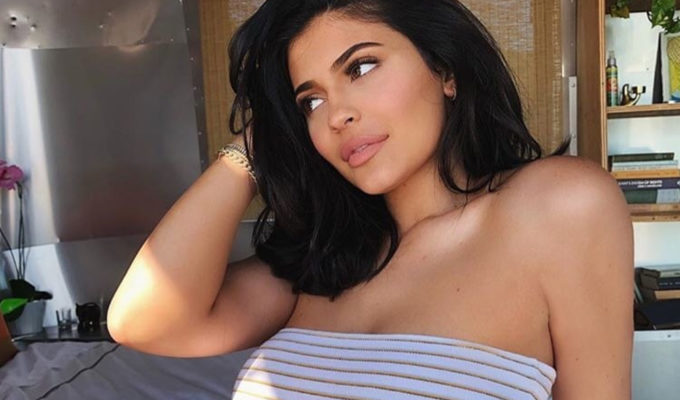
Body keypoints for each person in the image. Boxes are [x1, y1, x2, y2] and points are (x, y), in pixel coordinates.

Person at [108, 1, 634, 399]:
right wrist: (259, 142)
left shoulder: (557, 206)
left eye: (360, 68)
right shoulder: (318, 261)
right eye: (311, 101)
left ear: (445, 70)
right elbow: (142, 321)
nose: (336, 115)